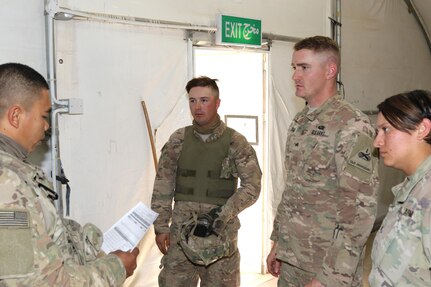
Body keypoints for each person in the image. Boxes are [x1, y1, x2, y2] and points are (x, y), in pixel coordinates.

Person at [0, 62, 139, 286]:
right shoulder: (7, 183)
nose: (46, 126)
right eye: (43, 116)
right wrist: (115, 268)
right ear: (16, 116)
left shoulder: (15, 173)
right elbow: (43, 283)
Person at [266, 35, 379, 287]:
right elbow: (292, 189)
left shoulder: (352, 126)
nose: (295, 75)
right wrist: (278, 243)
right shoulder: (300, 121)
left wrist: (328, 278)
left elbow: (359, 211)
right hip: (293, 259)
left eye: (304, 67)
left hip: (327, 267)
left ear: (330, 70)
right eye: (294, 68)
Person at [151, 76, 262, 286]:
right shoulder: (178, 140)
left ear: (217, 103)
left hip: (219, 235)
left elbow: (252, 187)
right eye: (192, 101)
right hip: (181, 236)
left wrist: (223, 214)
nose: (197, 107)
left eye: (204, 100)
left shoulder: (235, 142)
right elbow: (162, 185)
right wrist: (161, 226)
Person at [369, 90, 431, 286]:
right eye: (377, 132)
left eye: (385, 130)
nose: (377, 142)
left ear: (422, 129)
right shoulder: (412, 186)